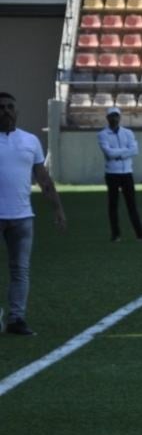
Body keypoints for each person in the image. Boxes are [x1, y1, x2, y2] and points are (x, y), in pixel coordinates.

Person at [0, 92, 67, 336]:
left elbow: (43, 179)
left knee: (20, 270)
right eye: (1, 107)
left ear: (16, 112)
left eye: (10, 107)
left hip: (22, 217)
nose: (6, 111)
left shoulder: (30, 141)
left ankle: (16, 319)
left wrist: (57, 208)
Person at [97, 107, 142, 242]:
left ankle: (140, 233)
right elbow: (109, 154)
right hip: (112, 173)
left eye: (116, 116)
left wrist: (118, 154)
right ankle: (116, 234)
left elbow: (135, 150)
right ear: (107, 118)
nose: (114, 119)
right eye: (111, 116)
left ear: (119, 117)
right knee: (113, 205)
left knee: (132, 204)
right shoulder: (103, 134)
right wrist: (125, 152)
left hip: (127, 172)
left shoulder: (128, 133)